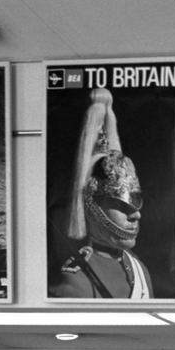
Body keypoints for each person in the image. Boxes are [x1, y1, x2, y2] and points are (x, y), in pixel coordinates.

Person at [51, 88, 152, 299]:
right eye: (121, 205)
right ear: (91, 211)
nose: (136, 214)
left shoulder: (139, 268)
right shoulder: (76, 281)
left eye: (134, 203)